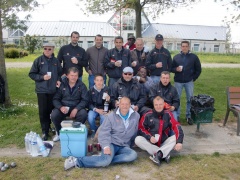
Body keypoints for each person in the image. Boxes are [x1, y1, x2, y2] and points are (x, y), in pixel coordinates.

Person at [64, 97, 140, 170]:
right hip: (112, 143)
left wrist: (132, 143)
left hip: (124, 145)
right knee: (105, 161)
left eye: (127, 104)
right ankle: (77, 161)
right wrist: (106, 146)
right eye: (122, 104)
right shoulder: (111, 116)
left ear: (130, 105)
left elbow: (135, 130)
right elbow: (104, 132)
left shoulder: (136, 116)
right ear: (119, 105)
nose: (124, 106)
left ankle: (105, 159)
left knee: (132, 155)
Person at [135, 96, 184, 166]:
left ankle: (159, 154)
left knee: (175, 138)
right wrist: (149, 137)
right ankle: (163, 153)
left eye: (160, 104)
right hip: (151, 143)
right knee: (138, 139)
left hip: (164, 141)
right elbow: (141, 128)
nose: (158, 107)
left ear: (164, 104)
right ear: (153, 105)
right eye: (156, 105)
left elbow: (176, 126)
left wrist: (179, 142)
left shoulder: (168, 114)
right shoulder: (147, 115)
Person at [29, 43, 62, 140]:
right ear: (43, 49)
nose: (47, 50)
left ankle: (51, 127)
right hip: (42, 90)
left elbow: (60, 73)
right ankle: (45, 131)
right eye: (45, 49)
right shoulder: (38, 60)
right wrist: (42, 77)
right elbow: (32, 74)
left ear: (53, 50)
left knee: (51, 110)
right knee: (43, 111)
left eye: (49, 49)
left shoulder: (56, 61)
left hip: (53, 90)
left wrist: (59, 80)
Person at [51, 67, 89, 141]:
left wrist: (76, 109)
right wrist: (61, 107)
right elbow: (55, 99)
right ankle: (59, 133)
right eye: (72, 75)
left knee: (83, 114)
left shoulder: (82, 85)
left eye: (75, 75)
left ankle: (76, 132)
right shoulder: (62, 84)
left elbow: (85, 100)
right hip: (63, 106)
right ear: (67, 76)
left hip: (76, 106)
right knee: (54, 115)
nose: (73, 77)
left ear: (78, 76)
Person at [171, 40, 202, 125]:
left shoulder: (194, 57)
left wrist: (193, 78)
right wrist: (176, 69)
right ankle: (177, 116)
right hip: (178, 81)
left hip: (189, 81)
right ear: (180, 47)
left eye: (186, 46)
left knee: (190, 99)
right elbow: (171, 68)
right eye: (183, 46)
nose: (184, 48)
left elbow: (198, 69)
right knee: (177, 99)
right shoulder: (176, 57)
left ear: (189, 47)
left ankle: (188, 116)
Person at [88, 74, 110, 138]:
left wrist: (109, 100)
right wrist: (95, 109)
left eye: (101, 80)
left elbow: (111, 103)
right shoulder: (91, 90)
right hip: (94, 108)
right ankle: (94, 131)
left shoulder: (107, 89)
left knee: (104, 118)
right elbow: (88, 103)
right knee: (90, 117)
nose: (99, 82)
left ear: (103, 81)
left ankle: (101, 133)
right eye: (97, 80)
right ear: (94, 81)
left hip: (104, 109)